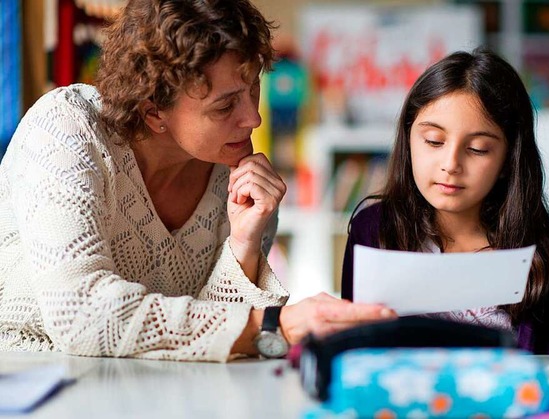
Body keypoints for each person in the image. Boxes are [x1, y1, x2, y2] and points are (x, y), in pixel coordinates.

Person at [0, 0, 394, 361]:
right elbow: (80, 314)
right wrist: (274, 324)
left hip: (155, 388)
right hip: (30, 377)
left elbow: (210, 338)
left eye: (253, 87)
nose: (252, 118)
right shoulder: (66, 129)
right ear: (153, 112)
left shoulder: (235, 169)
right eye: (224, 105)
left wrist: (243, 245)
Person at [341, 48, 549, 355]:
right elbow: (352, 353)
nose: (451, 164)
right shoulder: (374, 230)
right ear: (409, 140)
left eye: (478, 149)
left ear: (508, 161)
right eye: (434, 141)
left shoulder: (543, 252)